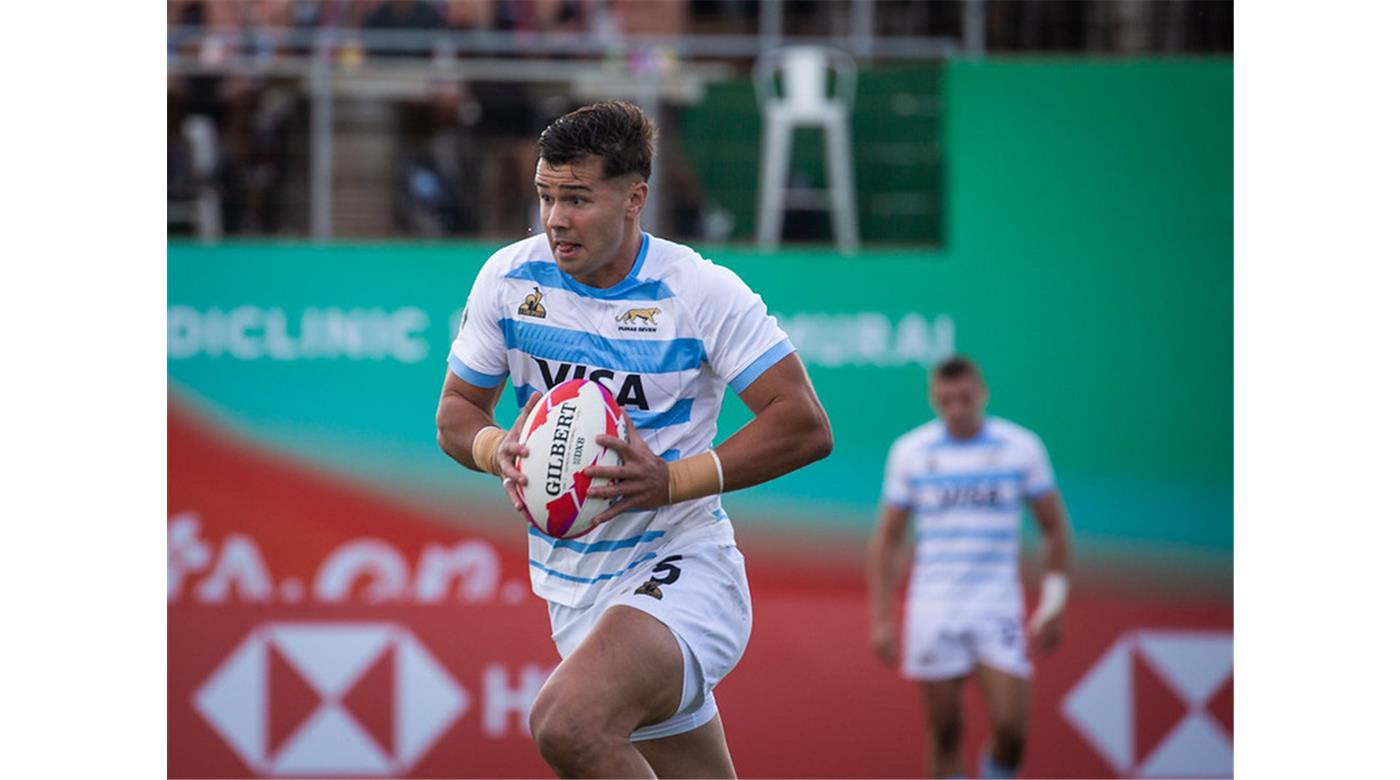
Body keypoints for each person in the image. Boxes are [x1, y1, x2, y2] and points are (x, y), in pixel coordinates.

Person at [435, 100, 832, 778]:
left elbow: (802, 423)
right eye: (547, 196)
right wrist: (494, 447)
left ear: (634, 198)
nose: (556, 218)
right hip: (574, 589)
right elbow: (457, 413)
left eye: (578, 199)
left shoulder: (700, 291)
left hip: (681, 568)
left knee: (568, 723)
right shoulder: (508, 280)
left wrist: (673, 481)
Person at [867, 356, 1071, 779]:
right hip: (934, 606)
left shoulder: (1020, 448)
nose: (956, 408)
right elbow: (888, 539)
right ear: (934, 398)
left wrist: (1053, 604)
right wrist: (882, 618)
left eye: (964, 398)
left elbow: (1054, 529)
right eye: (946, 399)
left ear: (981, 394)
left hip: (995, 605)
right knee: (944, 731)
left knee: (1012, 728)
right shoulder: (911, 452)